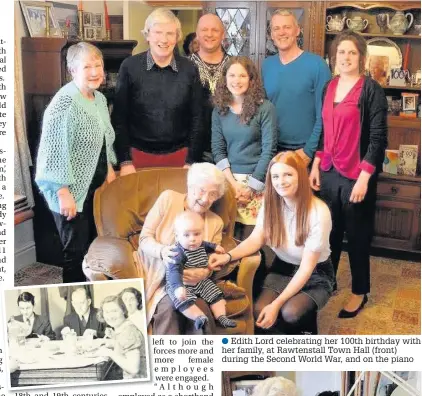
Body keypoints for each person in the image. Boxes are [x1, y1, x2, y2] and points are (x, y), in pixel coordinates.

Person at [211, 152, 335, 334]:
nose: (281, 181)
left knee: (290, 312)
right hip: (282, 268)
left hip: (316, 274)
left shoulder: (319, 212)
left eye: (288, 174)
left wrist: (276, 304)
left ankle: (306, 329)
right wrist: (228, 256)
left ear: (300, 175)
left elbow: (306, 269)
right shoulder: (270, 204)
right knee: (260, 310)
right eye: (275, 176)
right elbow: (256, 239)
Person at [309, 31, 388, 318]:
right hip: (329, 172)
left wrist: (365, 177)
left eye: (352, 52)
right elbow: (325, 131)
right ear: (334, 57)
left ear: (361, 58)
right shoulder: (329, 87)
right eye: (341, 52)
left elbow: (378, 137)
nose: (345, 57)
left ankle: (359, 292)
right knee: (328, 234)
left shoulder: (371, 89)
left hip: (357, 175)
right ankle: (327, 281)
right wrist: (317, 163)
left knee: (356, 236)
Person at [35, 42, 117, 283]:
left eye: (98, 65)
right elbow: (52, 152)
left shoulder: (99, 99)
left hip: (94, 187)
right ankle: (74, 307)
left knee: (94, 248)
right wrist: (63, 192)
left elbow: (103, 139)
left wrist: (110, 168)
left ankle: (95, 301)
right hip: (70, 191)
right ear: (72, 70)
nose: (95, 72)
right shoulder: (65, 103)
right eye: (87, 66)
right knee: (75, 252)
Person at [111, 8, 204, 174]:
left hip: (180, 158)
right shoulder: (129, 67)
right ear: (147, 35)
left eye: (170, 33)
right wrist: (125, 161)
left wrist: (191, 161)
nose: (164, 39)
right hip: (137, 158)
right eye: (158, 32)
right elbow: (119, 119)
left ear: (177, 37)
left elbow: (197, 118)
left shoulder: (190, 69)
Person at [138, 162, 226, 335]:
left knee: (202, 315)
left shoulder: (216, 222)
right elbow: (144, 238)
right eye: (201, 190)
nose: (206, 199)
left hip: (194, 285)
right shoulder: (168, 198)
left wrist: (205, 272)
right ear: (190, 186)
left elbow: (211, 259)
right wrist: (162, 251)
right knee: (168, 308)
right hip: (159, 277)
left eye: (213, 194)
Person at [212, 56, 277, 239]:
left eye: (242, 76)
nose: (236, 81)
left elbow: (269, 150)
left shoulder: (265, 109)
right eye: (232, 75)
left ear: (251, 79)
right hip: (228, 181)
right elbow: (217, 150)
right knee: (227, 239)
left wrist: (251, 187)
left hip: (257, 181)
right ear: (225, 79)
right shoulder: (219, 110)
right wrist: (232, 185)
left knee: (252, 244)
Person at [261, 9, 331, 165]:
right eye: (276, 28)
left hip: (305, 151)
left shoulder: (317, 65)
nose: (281, 32)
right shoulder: (267, 66)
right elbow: (263, 112)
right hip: (273, 151)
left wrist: (309, 151)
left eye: (287, 27)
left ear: (297, 30)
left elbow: (325, 113)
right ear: (271, 35)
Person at [167, 211, 236, 330]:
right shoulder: (178, 253)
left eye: (197, 234)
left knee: (216, 295)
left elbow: (206, 244)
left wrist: (215, 247)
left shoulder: (201, 244)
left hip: (201, 281)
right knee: (183, 301)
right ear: (177, 236)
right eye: (186, 235)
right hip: (183, 284)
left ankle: (222, 317)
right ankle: (199, 317)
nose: (193, 239)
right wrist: (178, 287)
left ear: (202, 233)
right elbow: (174, 272)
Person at [189, 13, 230, 162]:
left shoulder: (235, 66)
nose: (209, 34)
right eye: (204, 30)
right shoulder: (185, 67)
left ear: (223, 34)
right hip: (193, 150)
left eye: (215, 30)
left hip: (230, 149)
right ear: (197, 34)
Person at [97, 295, 147, 379]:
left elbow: (133, 369)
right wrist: (113, 341)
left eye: (114, 311)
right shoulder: (124, 327)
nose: (110, 316)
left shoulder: (129, 331)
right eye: (107, 312)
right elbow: (124, 346)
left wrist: (109, 352)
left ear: (123, 310)